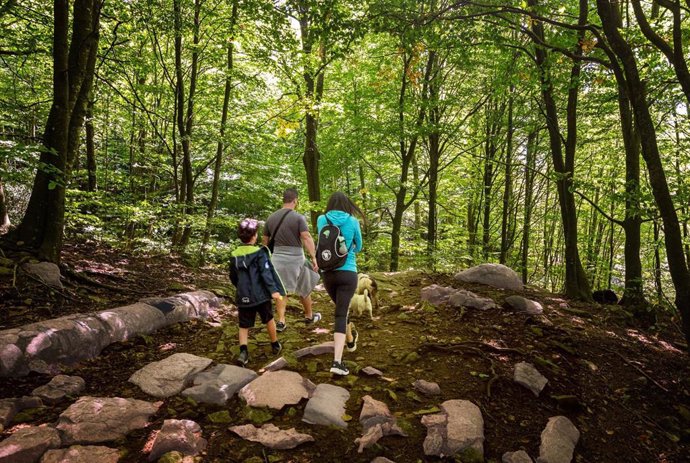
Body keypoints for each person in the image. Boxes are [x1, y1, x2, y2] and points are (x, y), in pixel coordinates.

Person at [316, 191, 363, 376]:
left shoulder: (322, 219)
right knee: (340, 314)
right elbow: (358, 246)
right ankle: (337, 361)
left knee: (341, 311)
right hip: (348, 272)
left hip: (328, 273)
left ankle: (350, 341)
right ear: (346, 205)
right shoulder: (352, 221)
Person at [229, 218, 286, 366]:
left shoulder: (234, 254)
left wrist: (240, 287)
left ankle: (243, 352)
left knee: (243, 325)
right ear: (254, 236)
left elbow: (233, 277)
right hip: (260, 295)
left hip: (243, 296)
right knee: (268, 319)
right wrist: (273, 290)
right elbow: (266, 273)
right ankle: (275, 344)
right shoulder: (260, 252)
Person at [262, 188, 321, 332]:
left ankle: (281, 321)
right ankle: (309, 316)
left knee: (281, 290)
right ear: (295, 200)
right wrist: (313, 257)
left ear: (284, 200)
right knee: (305, 287)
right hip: (296, 259)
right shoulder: (298, 217)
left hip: (277, 259)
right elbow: (306, 237)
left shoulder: (271, 218)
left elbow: (264, 242)